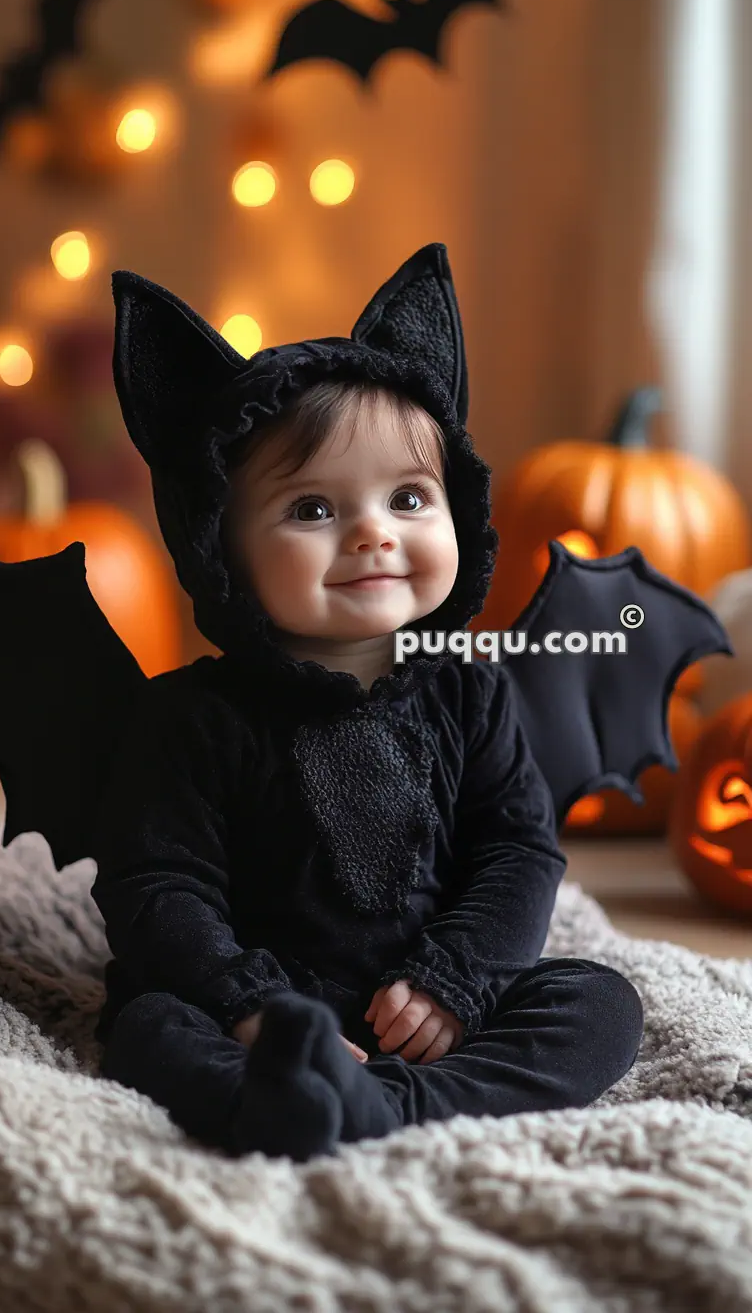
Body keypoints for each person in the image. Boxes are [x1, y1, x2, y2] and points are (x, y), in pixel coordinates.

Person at [91, 242, 644, 1162]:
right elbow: (159, 887)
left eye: (409, 497)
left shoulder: (468, 688)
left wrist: (454, 981)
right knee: (147, 1024)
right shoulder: (191, 719)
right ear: (218, 547)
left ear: (456, 511)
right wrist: (248, 1004)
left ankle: (384, 1104)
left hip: (430, 1003)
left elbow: (514, 849)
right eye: (313, 509)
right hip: (259, 1005)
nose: (373, 535)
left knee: (599, 1004)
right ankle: (287, 1086)